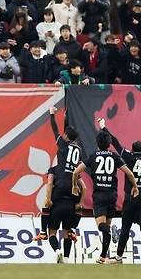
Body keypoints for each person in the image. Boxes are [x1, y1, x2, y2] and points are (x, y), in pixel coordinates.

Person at [72, 128, 138, 264]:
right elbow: (130, 173)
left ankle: (113, 233)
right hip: (112, 195)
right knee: (106, 228)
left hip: (100, 195)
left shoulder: (93, 156)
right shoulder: (114, 156)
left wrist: (74, 185)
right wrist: (135, 187)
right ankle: (103, 257)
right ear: (109, 144)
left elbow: (75, 172)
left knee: (101, 226)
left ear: (97, 143)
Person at [102, 116, 141, 264]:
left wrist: (104, 128)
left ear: (132, 149)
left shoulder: (129, 157)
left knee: (126, 227)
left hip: (130, 196)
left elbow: (115, 142)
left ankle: (118, 257)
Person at [45, 106, 84, 263]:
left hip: (61, 184)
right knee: (68, 231)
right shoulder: (79, 150)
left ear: (67, 136)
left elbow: (54, 129)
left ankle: (56, 250)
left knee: (52, 229)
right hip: (74, 188)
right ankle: (67, 259)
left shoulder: (63, 144)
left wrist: (52, 114)